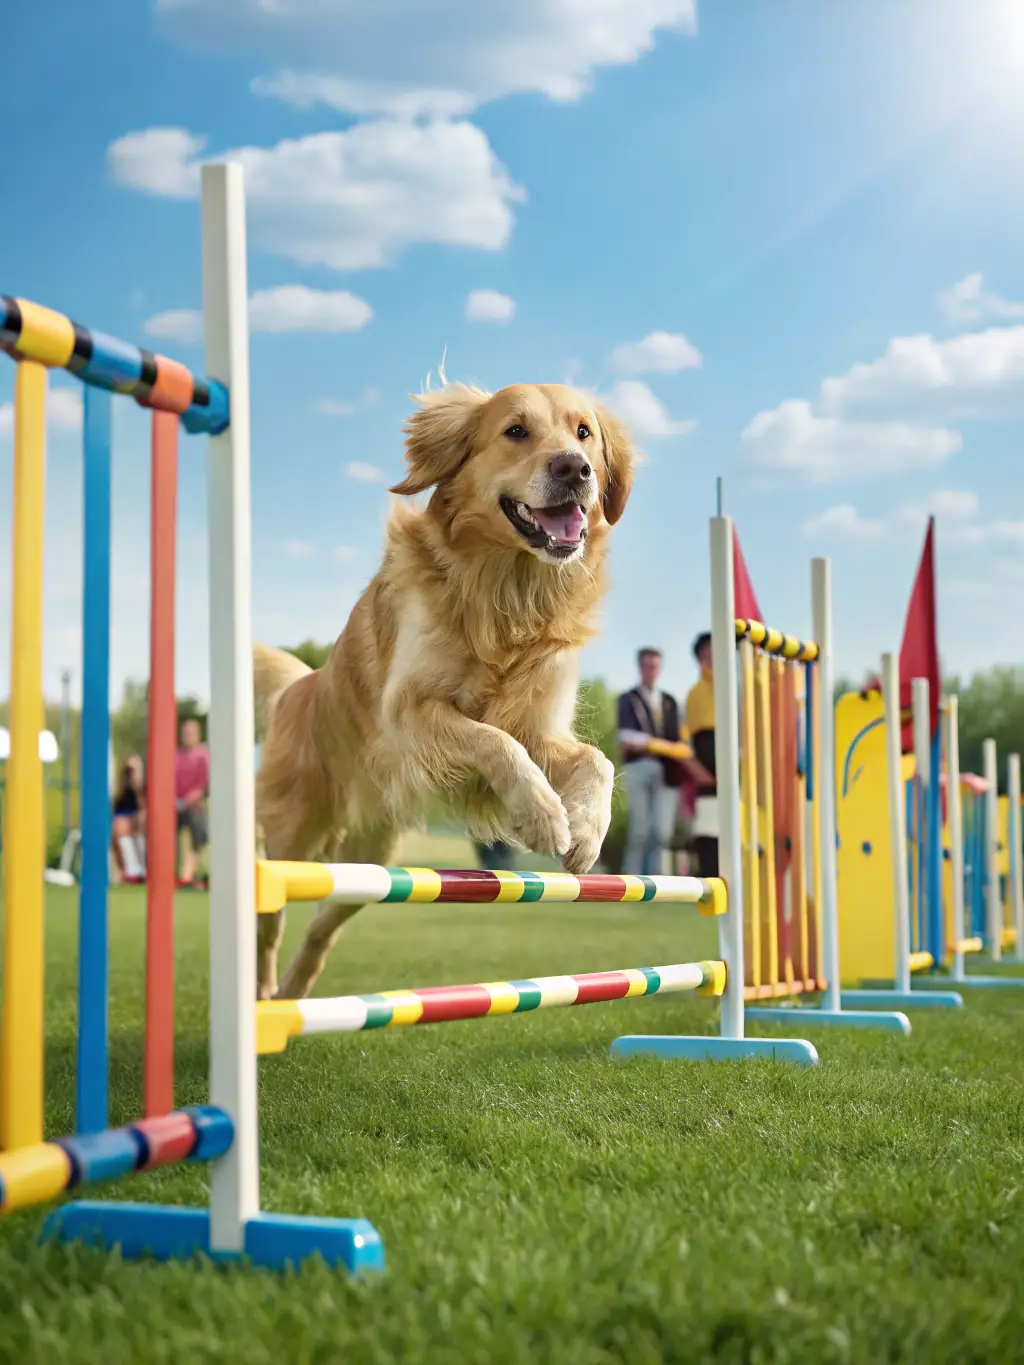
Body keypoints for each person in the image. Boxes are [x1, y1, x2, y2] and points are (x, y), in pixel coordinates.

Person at [617, 648, 683, 875]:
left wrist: (652, 744)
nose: (651, 671)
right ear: (640, 668)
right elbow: (626, 737)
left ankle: (658, 880)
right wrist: (656, 745)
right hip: (638, 767)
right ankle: (632, 879)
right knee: (639, 830)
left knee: (662, 832)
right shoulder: (628, 699)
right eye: (647, 666)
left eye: (655, 666)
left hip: (665, 771)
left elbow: (677, 739)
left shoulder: (669, 701)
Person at [684, 631, 718, 877]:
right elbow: (684, 745)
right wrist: (700, 773)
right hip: (708, 782)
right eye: (709, 652)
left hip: (735, 779)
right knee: (710, 839)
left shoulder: (736, 690)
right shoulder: (696, 693)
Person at [175, 716, 210, 888]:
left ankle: (192, 872)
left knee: (198, 829)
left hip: (194, 805)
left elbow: (203, 784)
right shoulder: (175, 755)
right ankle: (172, 871)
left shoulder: (203, 756)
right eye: (185, 732)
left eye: (191, 732)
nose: (187, 735)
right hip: (174, 806)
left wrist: (187, 801)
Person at [111, 754, 146, 884]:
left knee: (141, 820)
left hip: (140, 823)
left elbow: (144, 808)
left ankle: (140, 868)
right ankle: (129, 870)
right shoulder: (123, 793)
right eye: (130, 771)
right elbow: (118, 811)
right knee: (120, 826)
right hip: (125, 823)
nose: (133, 774)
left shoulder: (145, 790)